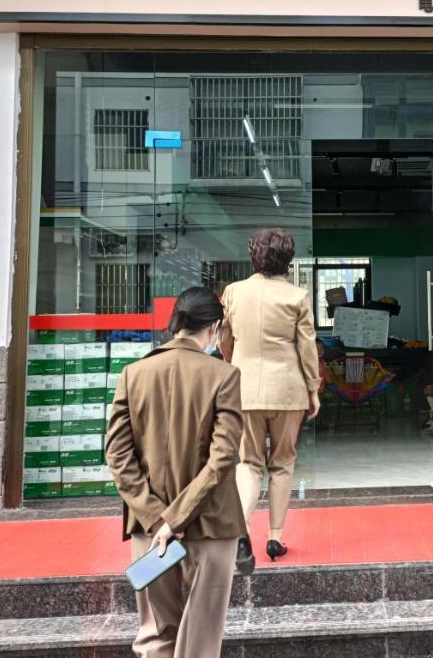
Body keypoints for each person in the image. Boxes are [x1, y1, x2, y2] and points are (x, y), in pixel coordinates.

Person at [106, 286, 249, 658]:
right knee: (201, 638)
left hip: (149, 529)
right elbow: (222, 458)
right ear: (214, 327)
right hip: (211, 524)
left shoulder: (132, 373)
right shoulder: (224, 375)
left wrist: (157, 517)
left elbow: (117, 455)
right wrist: (175, 518)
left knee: (155, 634)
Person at [221, 228, 321, 561]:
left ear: (254, 255)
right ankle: (275, 537)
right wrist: (313, 388)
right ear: (288, 258)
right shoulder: (298, 297)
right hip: (288, 391)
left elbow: (225, 339)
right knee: (282, 463)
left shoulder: (233, 293)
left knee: (249, 463)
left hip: (244, 389)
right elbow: (307, 348)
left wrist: (233, 363)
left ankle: (240, 528)